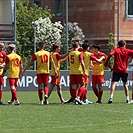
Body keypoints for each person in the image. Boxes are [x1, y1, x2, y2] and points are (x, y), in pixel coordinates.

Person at [68, 40, 86, 105]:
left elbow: (69, 64)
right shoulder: (79, 53)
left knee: (74, 87)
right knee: (83, 85)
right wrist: (85, 71)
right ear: (77, 46)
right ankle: (78, 97)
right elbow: (82, 63)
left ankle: (75, 99)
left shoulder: (70, 54)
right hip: (78, 72)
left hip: (72, 72)